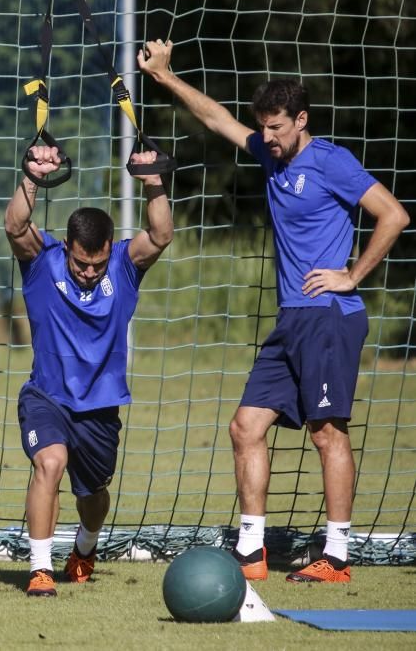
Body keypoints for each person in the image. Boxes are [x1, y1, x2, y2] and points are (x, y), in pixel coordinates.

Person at [138, 39, 410, 583]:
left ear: (301, 120)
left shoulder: (330, 160)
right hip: (291, 319)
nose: (267, 138)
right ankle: (252, 551)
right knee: (245, 427)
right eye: (263, 128)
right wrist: (165, 78)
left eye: (278, 128)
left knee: (326, 432)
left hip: (330, 315)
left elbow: (394, 215)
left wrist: (351, 275)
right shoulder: (268, 151)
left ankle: (336, 556)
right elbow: (216, 118)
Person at [5, 146, 173, 596]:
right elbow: (15, 226)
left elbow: (160, 234)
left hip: (100, 407)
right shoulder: (42, 263)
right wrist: (33, 177)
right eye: (81, 263)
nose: (88, 272)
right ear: (67, 248)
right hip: (47, 396)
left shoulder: (123, 265)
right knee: (50, 463)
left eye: (97, 265)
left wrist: (154, 179)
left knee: (93, 497)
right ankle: (41, 570)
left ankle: (85, 545)